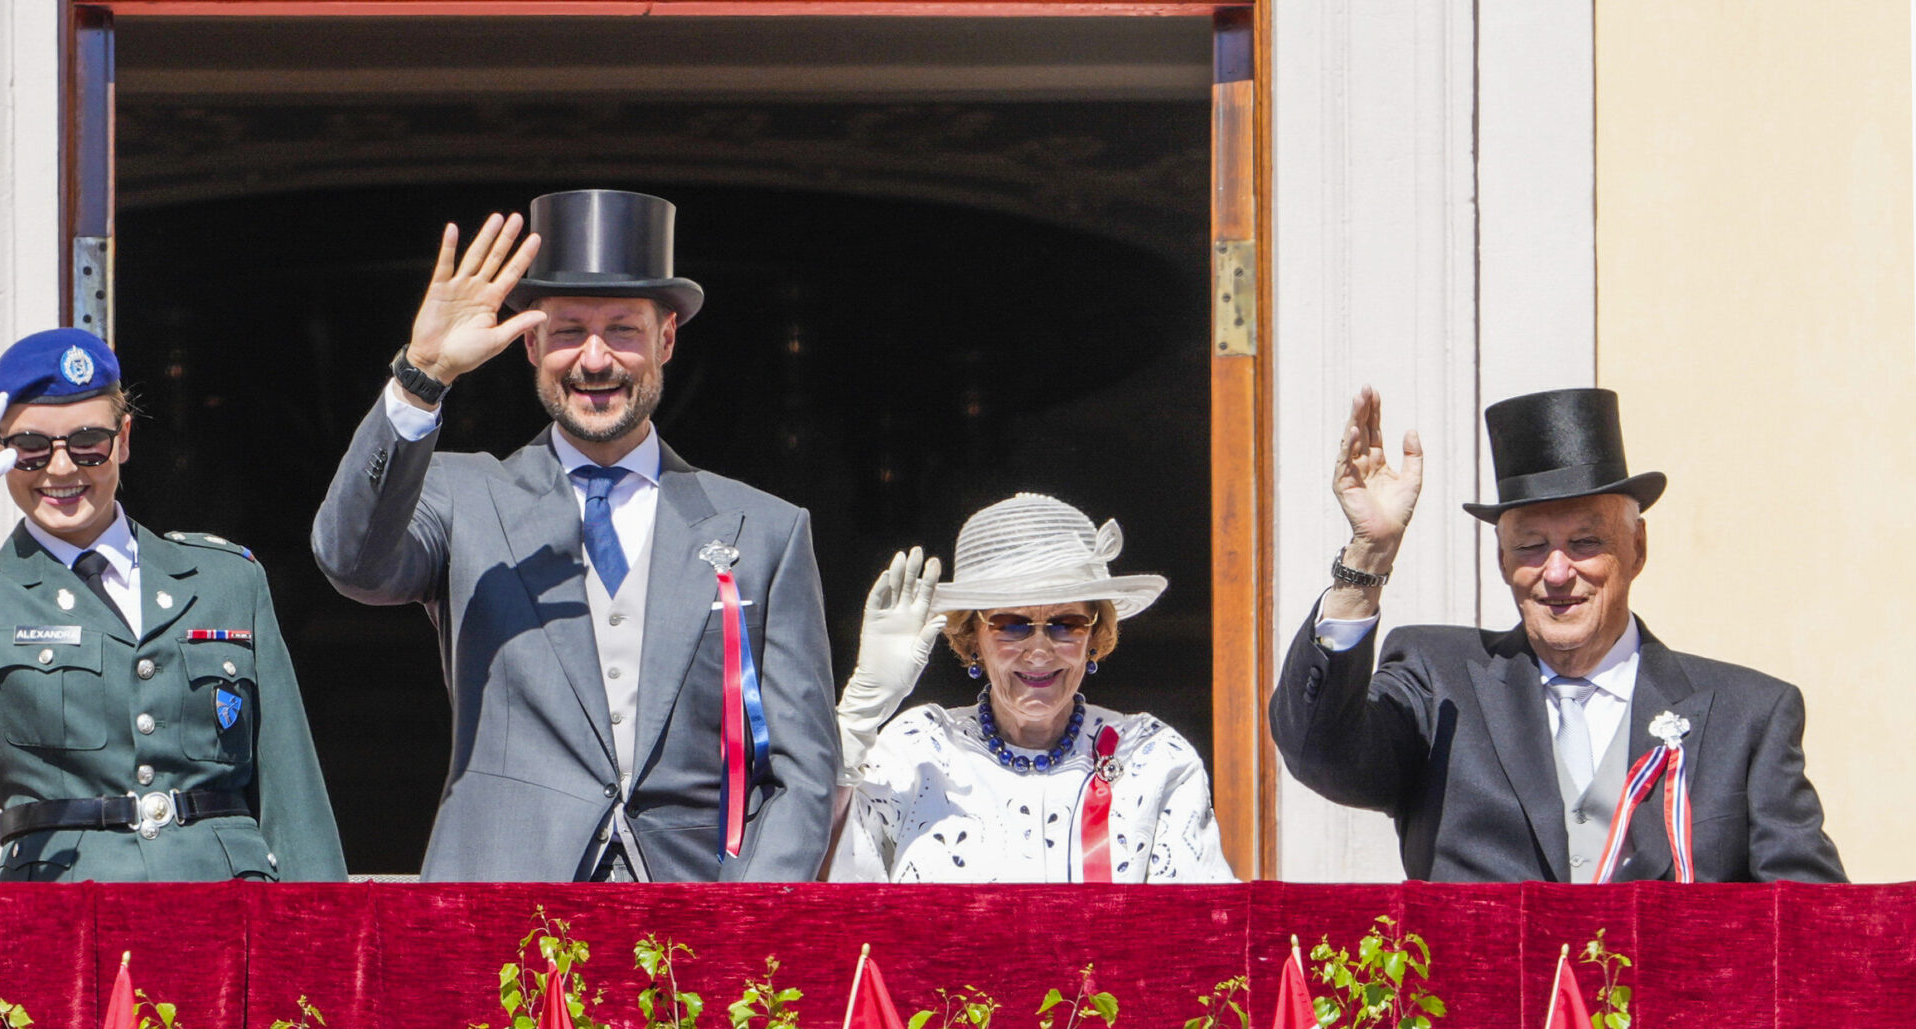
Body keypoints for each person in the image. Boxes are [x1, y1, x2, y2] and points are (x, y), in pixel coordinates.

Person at [309, 190, 837, 881]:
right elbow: (352, 559)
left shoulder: (766, 531)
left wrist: (748, 919)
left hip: (695, 924)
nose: (594, 360)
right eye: (566, 332)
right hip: (503, 916)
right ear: (528, 342)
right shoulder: (464, 496)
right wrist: (422, 377)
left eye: (622, 329)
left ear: (666, 338)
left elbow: (804, 770)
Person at [1271, 386, 1844, 882]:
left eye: (1586, 543)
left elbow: (1815, 928)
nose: (1557, 572)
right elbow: (1319, 754)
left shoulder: (1749, 716)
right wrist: (1367, 557)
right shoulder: (1436, 680)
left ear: (1637, 549)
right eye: (1531, 546)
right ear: (1502, 559)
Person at [0, 329, 345, 882]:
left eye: (88, 444)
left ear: (123, 439)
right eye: (29, 449)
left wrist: (319, 941)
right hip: (62, 908)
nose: (60, 470)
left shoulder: (225, 579)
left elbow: (292, 790)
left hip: (223, 899)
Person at [827, 494, 1232, 883]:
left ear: (1094, 634)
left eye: (1066, 623)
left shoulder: (1153, 756)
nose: (1039, 651)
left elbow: (1204, 932)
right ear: (973, 637)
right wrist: (861, 712)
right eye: (1010, 624)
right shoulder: (917, 751)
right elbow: (819, 885)